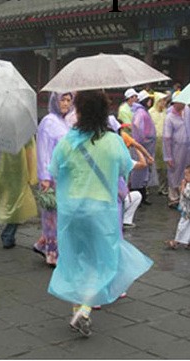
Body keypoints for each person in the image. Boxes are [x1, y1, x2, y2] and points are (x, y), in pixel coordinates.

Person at [47, 90, 153, 337]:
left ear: (80, 112)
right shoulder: (112, 141)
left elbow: (54, 171)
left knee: (74, 258)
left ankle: (77, 308)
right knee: (103, 261)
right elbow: (125, 168)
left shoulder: (68, 141)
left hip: (72, 209)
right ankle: (83, 309)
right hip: (100, 210)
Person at [33, 92, 73, 267]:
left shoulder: (66, 121)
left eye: (68, 100)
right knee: (52, 216)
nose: (65, 103)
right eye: (62, 100)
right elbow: (43, 151)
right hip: (52, 176)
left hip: (65, 175)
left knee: (60, 215)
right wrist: (45, 177)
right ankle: (52, 252)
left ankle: (44, 243)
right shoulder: (48, 122)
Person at [0, 137, 38, 249]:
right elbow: (30, 151)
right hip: (19, 168)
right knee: (18, 202)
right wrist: (32, 176)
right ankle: (8, 235)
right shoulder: (24, 129)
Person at [130, 90, 156, 205]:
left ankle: (142, 195)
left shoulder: (142, 111)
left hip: (145, 145)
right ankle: (138, 195)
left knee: (143, 171)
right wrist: (143, 138)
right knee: (140, 171)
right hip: (142, 146)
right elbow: (136, 124)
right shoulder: (141, 112)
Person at [163, 98, 190, 209]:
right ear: (176, 103)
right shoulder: (169, 117)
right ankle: (173, 197)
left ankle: (185, 194)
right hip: (176, 148)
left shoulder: (186, 111)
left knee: (186, 170)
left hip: (187, 147)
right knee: (174, 171)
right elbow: (166, 137)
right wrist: (168, 156)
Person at [149, 92, 169, 196]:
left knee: (165, 164)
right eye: (162, 101)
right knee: (156, 164)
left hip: (165, 141)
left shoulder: (166, 112)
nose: (164, 103)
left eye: (165, 101)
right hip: (155, 141)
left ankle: (163, 186)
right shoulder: (151, 112)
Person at [166, 165, 190, 249]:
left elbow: (187, 194)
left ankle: (176, 241)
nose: (185, 177)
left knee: (182, 226)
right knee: (187, 227)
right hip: (186, 210)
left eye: (187, 175)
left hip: (187, 212)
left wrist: (182, 187)